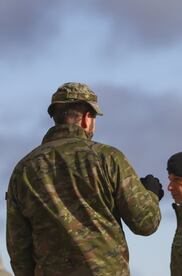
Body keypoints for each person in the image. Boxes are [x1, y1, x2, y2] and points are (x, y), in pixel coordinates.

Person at [6, 82, 163, 275]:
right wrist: (151, 194)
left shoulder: (23, 170)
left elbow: (18, 246)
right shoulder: (108, 158)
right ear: (87, 119)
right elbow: (145, 223)